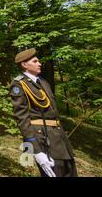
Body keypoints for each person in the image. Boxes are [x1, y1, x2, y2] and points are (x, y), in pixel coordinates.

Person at [10, 48, 77, 177]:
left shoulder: (43, 83)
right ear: (24, 65)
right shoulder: (19, 85)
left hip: (61, 141)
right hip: (44, 142)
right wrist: (37, 151)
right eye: (35, 61)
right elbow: (22, 119)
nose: (39, 63)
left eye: (38, 61)